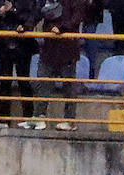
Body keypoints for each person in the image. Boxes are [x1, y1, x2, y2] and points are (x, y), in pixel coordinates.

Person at [0, 0, 42, 130]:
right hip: (3, 45)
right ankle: (4, 117)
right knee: (4, 82)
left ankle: (28, 117)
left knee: (24, 81)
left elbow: (34, 15)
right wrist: (1, 13)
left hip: (23, 44)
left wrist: (15, 11)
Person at [36, 0, 92, 131]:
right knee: (42, 82)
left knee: (69, 86)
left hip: (68, 48)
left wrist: (61, 28)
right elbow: (41, 13)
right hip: (49, 48)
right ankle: (39, 116)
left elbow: (77, 18)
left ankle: (69, 120)